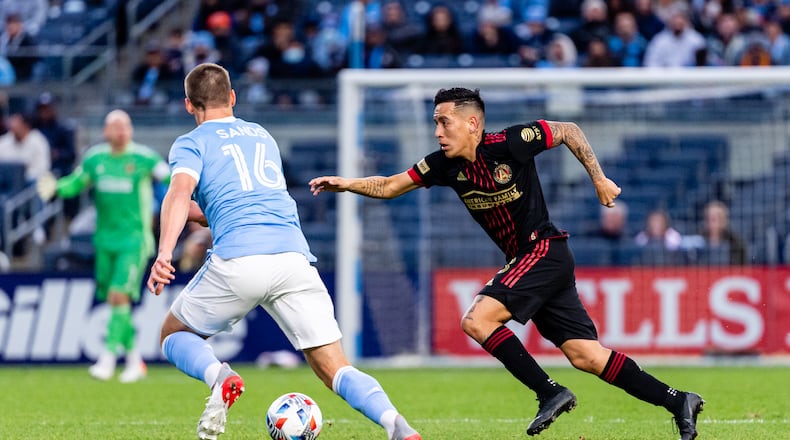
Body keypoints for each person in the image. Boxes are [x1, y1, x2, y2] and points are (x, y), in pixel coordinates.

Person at [309, 87, 704, 439]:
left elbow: (568, 130)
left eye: (444, 123)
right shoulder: (444, 165)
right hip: (534, 260)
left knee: (477, 320)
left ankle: (550, 392)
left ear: (472, 123)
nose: (437, 132)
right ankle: (679, 401)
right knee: (587, 355)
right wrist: (347, 183)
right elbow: (392, 185)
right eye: (435, 124)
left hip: (543, 250)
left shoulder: (509, 143)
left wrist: (599, 178)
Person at [145, 63, 421, 440]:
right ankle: (397, 426)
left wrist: (164, 253)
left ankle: (219, 377)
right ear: (232, 98)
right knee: (334, 367)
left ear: (189, 106)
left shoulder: (191, 142)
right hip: (294, 258)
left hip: (240, 259)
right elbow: (228, 204)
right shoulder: (262, 136)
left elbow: (179, 195)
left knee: (173, 334)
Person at [36, 109, 170, 383]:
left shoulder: (144, 158)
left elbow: (172, 178)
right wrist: (56, 188)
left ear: (130, 130)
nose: (121, 131)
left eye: (125, 126)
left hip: (134, 240)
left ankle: (108, 359)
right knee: (114, 300)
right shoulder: (95, 159)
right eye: (115, 126)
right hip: (105, 241)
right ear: (105, 131)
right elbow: (76, 183)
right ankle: (134, 361)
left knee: (118, 296)